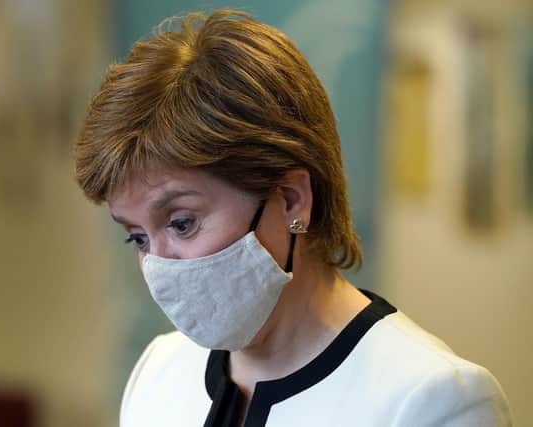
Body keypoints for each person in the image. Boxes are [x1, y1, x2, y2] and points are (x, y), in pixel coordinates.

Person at [73, 9, 512, 427]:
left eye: (181, 222)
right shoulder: (158, 373)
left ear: (291, 200)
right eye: (137, 238)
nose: (159, 265)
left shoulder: (431, 399)